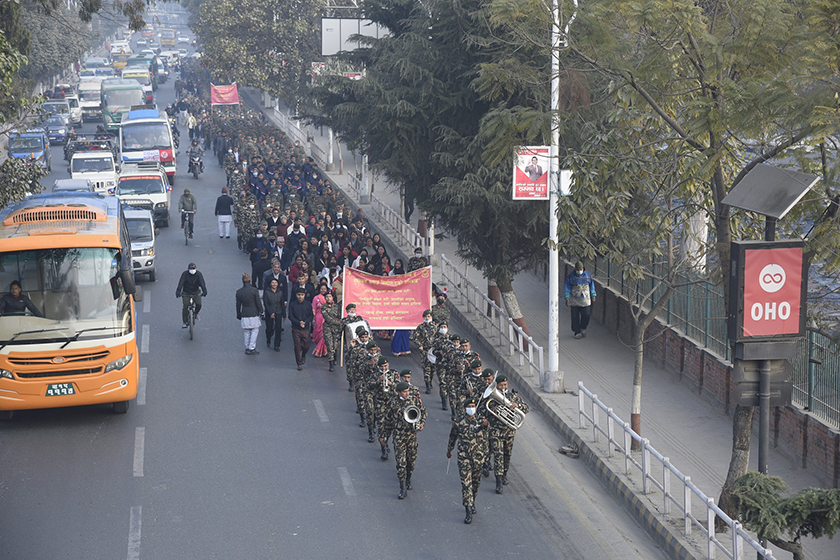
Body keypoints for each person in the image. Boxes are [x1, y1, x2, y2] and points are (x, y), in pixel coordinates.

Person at [380, 381, 427, 499]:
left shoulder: (414, 400)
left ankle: (408, 479)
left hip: (412, 436)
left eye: (408, 391)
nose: (407, 393)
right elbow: (387, 421)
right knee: (401, 463)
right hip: (399, 437)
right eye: (404, 392)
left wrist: (421, 423)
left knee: (411, 461)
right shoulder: (393, 403)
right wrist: (383, 436)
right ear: (398, 392)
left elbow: (423, 411)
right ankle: (402, 488)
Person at [447, 397, 488, 524]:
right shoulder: (459, 422)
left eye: (473, 406)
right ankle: (468, 510)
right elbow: (453, 436)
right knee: (466, 484)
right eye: (469, 406)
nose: (472, 408)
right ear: (465, 408)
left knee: (475, 483)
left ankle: (472, 500)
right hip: (464, 457)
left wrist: (486, 456)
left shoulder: (481, 421)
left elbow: (487, 438)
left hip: (478, 457)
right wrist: (449, 450)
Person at [488, 374, 529, 494]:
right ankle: (498, 481)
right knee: (498, 455)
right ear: (497, 385)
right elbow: (484, 411)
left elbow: (526, 408)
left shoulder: (513, 397)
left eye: (505, 385)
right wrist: (494, 409)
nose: (503, 387)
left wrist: (517, 406)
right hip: (496, 431)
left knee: (507, 455)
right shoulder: (493, 398)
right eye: (501, 385)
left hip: (509, 432)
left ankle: (504, 474)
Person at [564, 260, 596, 339]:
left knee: (586, 315)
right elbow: (567, 288)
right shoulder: (571, 277)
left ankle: (583, 327)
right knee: (575, 316)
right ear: (575, 269)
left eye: (580, 269)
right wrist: (567, 298)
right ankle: (577, 331)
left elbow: (592, 286)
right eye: (577, 270)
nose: (579, 271)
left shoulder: (588, 276)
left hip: (585, 301)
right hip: (574, 301)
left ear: (583, 269)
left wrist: (593, 295)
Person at [236, 273, 264, 355]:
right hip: (254, 312)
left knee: (246, 331)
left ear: (242, 281)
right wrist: (261, 311)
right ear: (250, 280)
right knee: (254, 330)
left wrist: (238, 314)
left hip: (245, 313)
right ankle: (251, 347)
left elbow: (238, 305)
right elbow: (258, 302)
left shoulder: (239, 292)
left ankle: (247, 347)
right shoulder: (254, 290)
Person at [410, 309, 437, 394]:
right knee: (426, 369)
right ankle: (427, 385)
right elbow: (414, 337)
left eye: (428, 316)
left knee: (433, 369)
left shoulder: (436, 327)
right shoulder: (421, 327)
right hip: (425, 350)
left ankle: (430, 380)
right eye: (425, 316)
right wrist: (420, 345)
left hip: (434, 351)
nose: (427, 318)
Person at [288, 288, 314, 370]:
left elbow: (311, 315)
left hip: (305, 328)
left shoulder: (308, 304)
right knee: (297, 346)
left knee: (306, 345)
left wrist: (305, 322)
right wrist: (298, 322)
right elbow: (290, 316)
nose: (300, 297)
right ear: (296, 295)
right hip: (296, 328)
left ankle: (303, 355)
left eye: (302, 295)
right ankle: (299, 363)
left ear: (304, 295)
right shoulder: (292, 305)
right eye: (298, 295)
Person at [175, 263, 207, 328]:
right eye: (191, 269)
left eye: (193, 269)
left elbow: (202, 283)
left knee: (199, 304)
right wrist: (178, 291)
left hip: (196, 292)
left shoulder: (198, 274)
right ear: (188, 269)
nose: (192, 270)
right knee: (186, 306)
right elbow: (181, 283)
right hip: (186, 293)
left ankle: (196, 313)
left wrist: (204, 291)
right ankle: (185, 322)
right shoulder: (185, 274)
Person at [263, 277, 285, 351]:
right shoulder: (267, 292)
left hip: (278, 311)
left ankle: (277, 345)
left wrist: (284, 314)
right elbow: (266, 303)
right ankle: (268, 339)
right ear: (270, 284)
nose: (274, 284)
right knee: (269, 328)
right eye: (273, 283)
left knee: (278, 329)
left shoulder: (280, 292)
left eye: (275, 283)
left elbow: (282, 304)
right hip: (269, 312)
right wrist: (270, 312)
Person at [311, 284, 330, 358]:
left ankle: (319, 351)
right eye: (322, 289)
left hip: (327, 318)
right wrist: (313, 318)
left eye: (324, 289)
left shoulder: (329, 297)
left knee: (325, 334)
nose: (323, 290)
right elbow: (313, 308)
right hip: (318, 318)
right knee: (318, 333)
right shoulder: (316, 298)